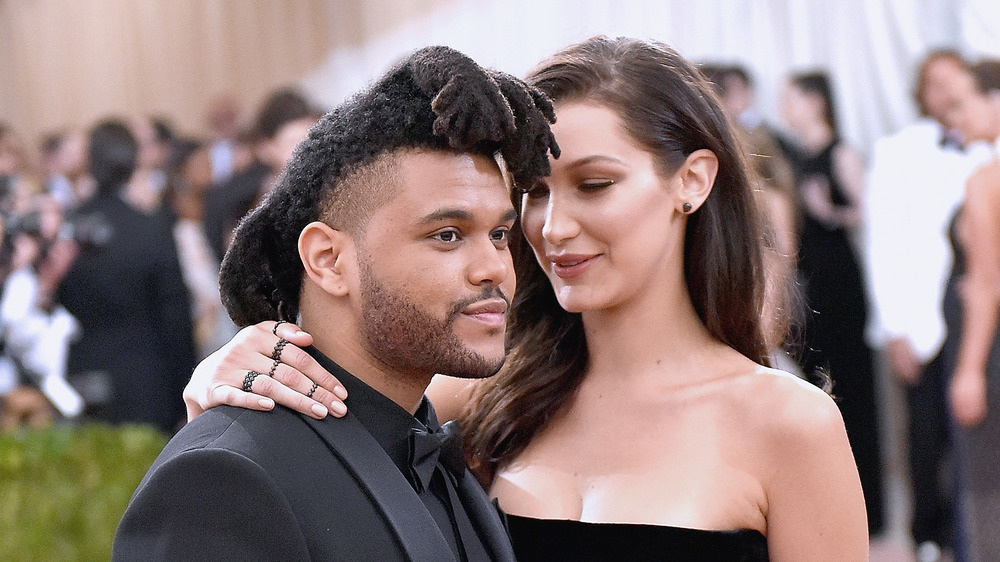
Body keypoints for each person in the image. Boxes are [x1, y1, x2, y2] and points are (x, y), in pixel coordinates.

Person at [185, 37, 868, 560]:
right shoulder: (479, 395)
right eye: (535, 193)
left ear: (692, 181)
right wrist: (240, 364)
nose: (553, 226)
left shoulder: (789, 427)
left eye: (595, 184)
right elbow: (297, 460)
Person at [113, 45, 559, 561]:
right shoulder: (224, 478)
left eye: (500, 234)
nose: (495, 268)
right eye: (447, 235)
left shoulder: (435, 451)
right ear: (327, 259)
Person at [866, 50, 993, 562]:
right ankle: (928, 540)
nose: (945, 96)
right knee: (923, 442)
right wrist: (895, 326)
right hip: (921, 321)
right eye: (935, 85)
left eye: (955, 84)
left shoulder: (988, 158)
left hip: (980, 321)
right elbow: (883, 244)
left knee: (980, 455)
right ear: (920, 91)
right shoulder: (898, 151)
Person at [779, 70, 885, 535]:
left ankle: (871, 514)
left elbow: (870, 212)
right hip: (811, 287)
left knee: (853, 391)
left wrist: (831, 213)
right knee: (819, 390)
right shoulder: (792, 155)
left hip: (841, 283)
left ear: (816, 101)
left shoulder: (839, 151)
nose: (785, 107)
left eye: (793, 98)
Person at [56, 119, 196, 434]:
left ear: (89, 163)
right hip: (148, 380)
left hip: (83, 377)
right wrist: (187, 385)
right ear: (134, 163)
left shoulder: (66, 230)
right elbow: (176, 316)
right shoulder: (152, 228)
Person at [940, 58, 1000, 562]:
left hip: (992, 354)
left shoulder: (986, 180)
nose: (952, 116)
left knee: (987, 488)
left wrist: (969, 370)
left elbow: (986, 284)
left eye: (962, 104)